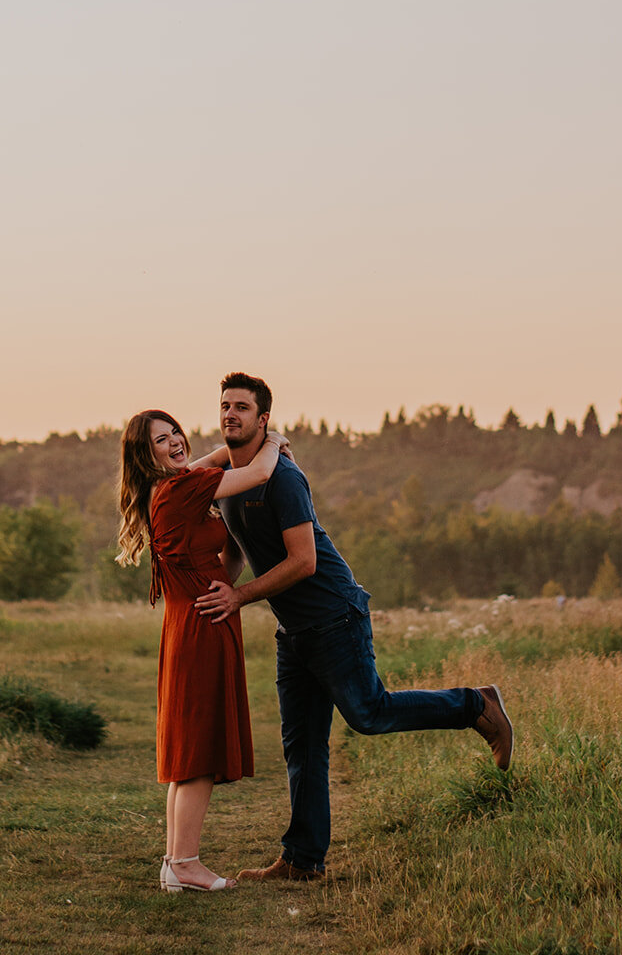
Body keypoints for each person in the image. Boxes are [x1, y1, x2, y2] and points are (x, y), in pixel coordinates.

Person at [194, 372, 514, 883]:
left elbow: (303, 562)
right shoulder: (230, 485)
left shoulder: (283, 479)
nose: (230, 413)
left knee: (369, 713)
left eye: (242, 407)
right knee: (302, 744)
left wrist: (240, 597)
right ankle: (302, 861)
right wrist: (213, 587)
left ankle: (477, 705)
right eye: (225, 406)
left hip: (334, 616)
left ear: (264, 419)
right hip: (293, 630)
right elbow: (236, 552)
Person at [116, 407, 288, 892]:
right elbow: (254, 471)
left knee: (190, 748)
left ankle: (176, 863)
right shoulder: (180, 489)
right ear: (144, 454)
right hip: (200, 628)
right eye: (160, 440)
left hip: (190, 621)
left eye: (175, 434)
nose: (175, 443)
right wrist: (272, 440)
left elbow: (211, 461)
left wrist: (227, 579)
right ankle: (187, 863)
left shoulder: (168, 489)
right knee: (197, 754)